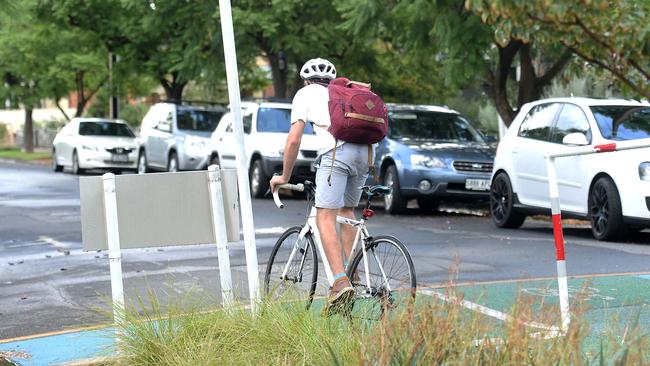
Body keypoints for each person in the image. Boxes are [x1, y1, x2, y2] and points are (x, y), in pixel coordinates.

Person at [269, 58, 373, 311]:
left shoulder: (304, 94)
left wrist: (283, 177)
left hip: (336, 154)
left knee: (323, 218)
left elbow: (293, 140)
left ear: (306, 80)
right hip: (366, 154)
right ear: (330, 80)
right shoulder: (345, 92)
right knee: (346, 212)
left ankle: (339, 282)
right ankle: (352, 270)